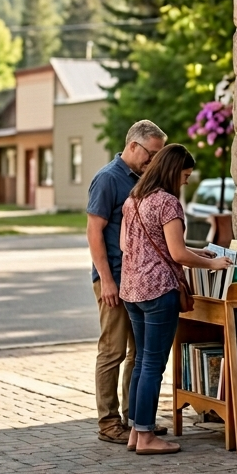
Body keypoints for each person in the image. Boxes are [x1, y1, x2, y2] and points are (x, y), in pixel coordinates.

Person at [120, 144, 231, 454]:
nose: (186, 181)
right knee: (154, 365)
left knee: (142, 360)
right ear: (172, 172)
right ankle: (146, 436)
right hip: (159, 291)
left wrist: (198, 252)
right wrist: (213, 263)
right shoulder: (168, 204)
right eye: (185, 175)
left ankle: (134, 432)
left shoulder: (134, 200)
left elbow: (130, 245)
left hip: (132, 290)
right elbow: (177, 253)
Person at [87, 119, 167, 443]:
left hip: (139, 282)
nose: (154, 161)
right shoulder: (108, 179)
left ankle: (137, 421)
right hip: (114, 280)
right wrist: (106, 280)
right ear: (133, 145)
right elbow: (94, 232)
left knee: (139, 354)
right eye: (151, 153)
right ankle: (108, 424)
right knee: (113, 351)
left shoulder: (143, 179)